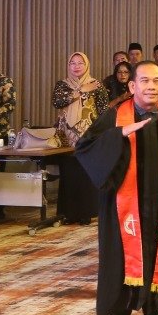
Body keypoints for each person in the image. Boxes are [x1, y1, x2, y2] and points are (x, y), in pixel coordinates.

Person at [75, 61, 158, 315]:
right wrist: (119, 135)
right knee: (121, 269)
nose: (152, 86)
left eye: (157, 81)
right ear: (132, 85)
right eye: (145, 81)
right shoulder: (114, 116)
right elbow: (84, 148)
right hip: (123, 211)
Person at [53, 52, 110, 226]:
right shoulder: (63, 84)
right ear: (68, 66)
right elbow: (57, 102)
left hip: (89, 137)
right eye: (73, 63)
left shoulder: (96, 85)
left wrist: (100, 135)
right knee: (69, 173)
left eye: (80, 63)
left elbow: (103, 112)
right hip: (66, 138)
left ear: (87, 65)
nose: (76, 66)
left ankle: (87, 213)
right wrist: (80, 91)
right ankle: (68, 213)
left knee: (86, 174)